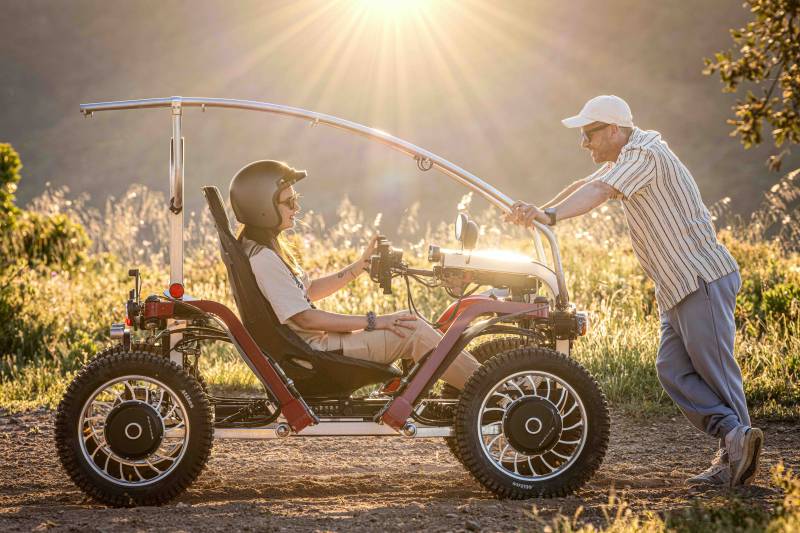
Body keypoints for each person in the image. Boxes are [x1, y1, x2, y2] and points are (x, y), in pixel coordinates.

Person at [506, 95, 763, 487]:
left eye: (589, 134)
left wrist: (551, 216)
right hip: (678, 285)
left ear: (614, 130)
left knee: (717, 372)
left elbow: (600, 192)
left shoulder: (645, 155)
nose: (584, 143)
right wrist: (540, 212)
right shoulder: (628, 157)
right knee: (672, 369)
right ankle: (734, 440)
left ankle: (737, 459)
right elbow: (587, 184)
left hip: (700, 279)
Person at [228, 159, 481, 390]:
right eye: (289, 202)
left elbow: (307, 292)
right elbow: (306, 320)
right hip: (318, 352)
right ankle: (490, 392)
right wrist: (375, 321)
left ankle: (478, 389)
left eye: (296, 199)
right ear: (262, 207)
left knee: (408, 320)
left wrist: (358, 267)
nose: (297, 207)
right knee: (413, 329)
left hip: (319, 347)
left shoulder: (261, 249)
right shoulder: (265, 259)